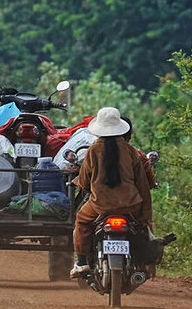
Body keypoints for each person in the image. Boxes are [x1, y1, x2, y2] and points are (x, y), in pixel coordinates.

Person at [70, 107, 153, 278]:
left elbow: (84, 181)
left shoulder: (93, 150)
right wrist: (145, 215)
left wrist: (85, 185)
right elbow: (143, 185)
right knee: (141, 228)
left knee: (82, 220)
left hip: (101, 206)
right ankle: (142, 263)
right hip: (131, 206)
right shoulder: (131, 151)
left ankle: (82, 262)